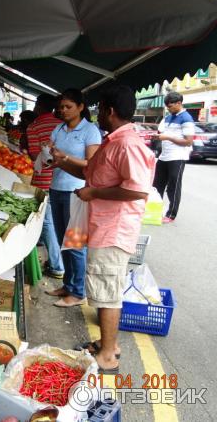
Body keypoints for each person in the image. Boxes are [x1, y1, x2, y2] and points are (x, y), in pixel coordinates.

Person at [51, 85, 156, 373]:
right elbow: (89, 172)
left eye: (99, 108)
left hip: (114, 229)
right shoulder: (114, 141)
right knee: (103, 287)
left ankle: (108, 355)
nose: (97, 114)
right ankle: (107, 342)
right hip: (101, 225)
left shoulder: (127, 144)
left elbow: (137, 191)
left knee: (107, 290)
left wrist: (95, 193)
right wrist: (64, 162)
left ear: (110, 111)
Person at [46, 89, 101, 307]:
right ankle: (68, 286)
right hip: (57, 188)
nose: (63, 111)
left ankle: (78, 293)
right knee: (63, 242)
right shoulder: (58, 129)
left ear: (81, 107)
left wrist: (65, 157)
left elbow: (92, 164)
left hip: (77, 192)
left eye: (68, 106)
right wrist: (50, 158)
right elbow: (54, 156)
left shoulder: (90, 131)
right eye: (61, 107)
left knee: (75, 244)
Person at [26, 95, 64, 278]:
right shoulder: (63, 125)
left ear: (39, 107)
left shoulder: (33, 127)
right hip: (64, 179)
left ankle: (58, 265)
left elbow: (34, 156)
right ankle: (61, 262)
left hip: (43, 180)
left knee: (47, 222)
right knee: (60, 223)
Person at [152, 92, 194, 223]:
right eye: (167, 106)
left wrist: (168, 137)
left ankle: (171, 214)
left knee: (173, 187)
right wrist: (157, 136)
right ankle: (154, 211)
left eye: (170, 106)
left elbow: (188, 141)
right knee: (157, 185)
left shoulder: (186, 118)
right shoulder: (168, 118)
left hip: (177, 157)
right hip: (164, 156)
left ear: (179, 103)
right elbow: (161, 133)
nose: (168, 108)